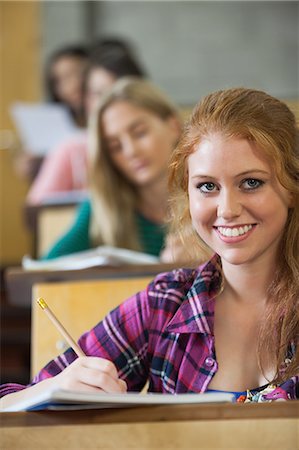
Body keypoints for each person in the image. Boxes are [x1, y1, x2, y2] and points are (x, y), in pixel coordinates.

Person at [1, 87, 298, 408]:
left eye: (251, 182)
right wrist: (55, 388)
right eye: (207, 186)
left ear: (292, 187)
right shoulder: (165, 304)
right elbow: (8, 404)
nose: (227, 209)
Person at [42, 77, 182, 260]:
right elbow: (45, 272)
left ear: (174, 126)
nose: (131, 151)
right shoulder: (100, 207)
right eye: (115, 146)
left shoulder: (210, 193)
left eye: (140, 133)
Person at [26, 39, 146, 205]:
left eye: (119, 91)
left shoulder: (158, 141)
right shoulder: (73, 149)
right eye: (98, 93)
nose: (110, 103)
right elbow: (36, 209)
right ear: (86, 99)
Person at [15, 45, 88, 181]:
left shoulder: (107, 118)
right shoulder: (50, 124)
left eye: (76, 74)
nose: (71, 86)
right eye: (60, 80)